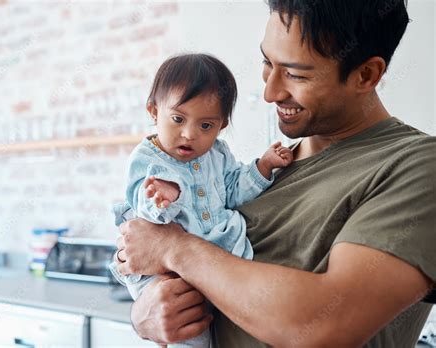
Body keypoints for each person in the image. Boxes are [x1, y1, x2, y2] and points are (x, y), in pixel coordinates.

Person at [114, 0, 436, 346]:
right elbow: (149, 256)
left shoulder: (416, 166)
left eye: (296, 74)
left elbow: (326, 324)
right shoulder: (263, 171)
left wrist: (174, 248)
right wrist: (147, 310)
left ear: (365, 75)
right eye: (268, 63)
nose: (270, 92)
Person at [110, 53, 293, 347]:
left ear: (221, 126)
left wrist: (263, 166)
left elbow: (233, 189)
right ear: (154, 111)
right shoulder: (148, 158)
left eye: (205, 126)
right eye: (178, 119)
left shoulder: (218, 155)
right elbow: (141, 208)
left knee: (223, 317)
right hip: (162, 270)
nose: (189, 134)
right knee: (189, 328)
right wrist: (161, 198)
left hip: (210, 257)